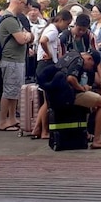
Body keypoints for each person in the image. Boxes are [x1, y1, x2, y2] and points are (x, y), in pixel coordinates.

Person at [38, 49, 101, 149]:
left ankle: (86, 133)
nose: (89, 69)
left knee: (92, 100)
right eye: (91, 66)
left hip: (55, 94)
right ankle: (97, 140)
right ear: (89, 59)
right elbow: (71, 78)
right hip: (68, 94)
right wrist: (82, 88)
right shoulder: (79, 60)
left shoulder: (70, 54)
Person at [32, 11, 72, 140]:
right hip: (47, 65)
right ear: (60, 20)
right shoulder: (53, 30)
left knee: (46, 100)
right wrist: (49, 54)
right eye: (67, 23)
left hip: (43, 65)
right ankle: (44, 130)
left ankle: (37, 128)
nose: (66, 27)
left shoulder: (50, 28)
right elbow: (43, 41)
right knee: (48, 101)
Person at [0, 0, 33, 131]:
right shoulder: (10, 20)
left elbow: (27, 36)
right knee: (8, 91)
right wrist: (28, 36)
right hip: (11, 60)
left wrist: (27, 36)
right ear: (18, 2)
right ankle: (3, 121)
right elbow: (22, 39)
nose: (24, 8)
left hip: (16, 60)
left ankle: (11, 119)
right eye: (24, 4)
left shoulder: (14, 19)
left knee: (15, 91)